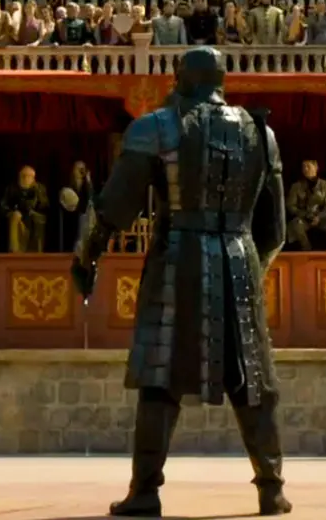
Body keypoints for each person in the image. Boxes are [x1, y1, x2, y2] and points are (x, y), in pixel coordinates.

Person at [70, 46, 291, 517]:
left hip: (177, 258)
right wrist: (252, 270)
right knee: (252, 377)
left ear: (181, 78)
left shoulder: (156, 126)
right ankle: (271, 488)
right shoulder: (261, 134)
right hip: (240, 259)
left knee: (159, 374)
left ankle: (145, 491)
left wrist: (86, 256)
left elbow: (114, 207)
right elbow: (275, 231)